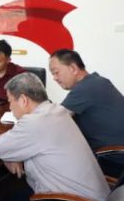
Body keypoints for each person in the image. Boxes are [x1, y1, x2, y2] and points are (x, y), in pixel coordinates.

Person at [0, 72, 110, 201]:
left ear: (23, 100)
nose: (10, 108)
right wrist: (11, 154)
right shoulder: (57, 111)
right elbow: (11, 146)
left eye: (10, 101)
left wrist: (9, 153)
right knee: (8, 196)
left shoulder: (35, 123)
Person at [49, 49, 124, 177]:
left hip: (112, 158)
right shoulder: (98, 81)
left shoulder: (86, 87)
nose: (55, 78)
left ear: (73, 68)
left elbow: (52, 120)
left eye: (56, 72)